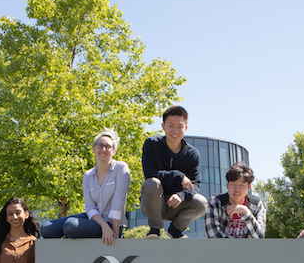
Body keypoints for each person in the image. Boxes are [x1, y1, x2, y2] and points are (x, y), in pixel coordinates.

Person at [40, 129, 130, 245]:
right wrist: (103, 225)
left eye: (108, 146)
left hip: (112, 223)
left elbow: (119, 201)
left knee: (70, 226)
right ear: (93, 149)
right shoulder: (88, 175)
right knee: (47, 228)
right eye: (100, 145)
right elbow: (90, 207)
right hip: (94, 220)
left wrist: (114, 233)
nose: (103, 149)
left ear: (114, 151)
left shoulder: (120, 168)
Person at [140, 105, 208, 239]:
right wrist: (178, 175)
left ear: (186, 128)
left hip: (178, 205)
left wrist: (181, 195)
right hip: (154, 203)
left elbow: (195, 184)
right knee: (152, 182)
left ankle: (175, 230)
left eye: (180, 126)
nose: (175, 131)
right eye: (171, 126)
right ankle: (155, 229)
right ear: (163, 126)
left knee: (201, 203)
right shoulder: (151, 144)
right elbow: (150, 174)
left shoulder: (192, 153)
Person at [205, 161, 266, 238]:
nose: (237, 189)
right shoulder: (215, 202)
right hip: (220, 250)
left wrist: (245, 212)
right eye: (233, 184)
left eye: (242, 185)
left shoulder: (256, 204)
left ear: (249, 187)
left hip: (247, 250)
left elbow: (260, 236)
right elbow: (213, 237)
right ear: (227, 186)